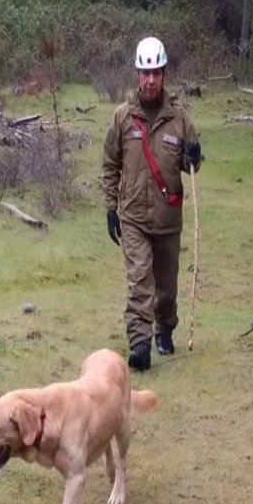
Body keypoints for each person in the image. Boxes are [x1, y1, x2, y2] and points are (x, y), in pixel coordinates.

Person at [101, 36, 201, 372]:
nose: (150, 80)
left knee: (166, 288)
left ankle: (165, 328)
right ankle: (140, 344)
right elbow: (110, 164)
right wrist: (111, 208)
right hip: (133, 217)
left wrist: (194, 156)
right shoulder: (122, 118)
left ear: (164, 74)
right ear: (137, 74)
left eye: (156, 73)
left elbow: (192, 164)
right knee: (139, 282)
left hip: (168, 218)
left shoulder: (180, 119)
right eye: (145, 73)